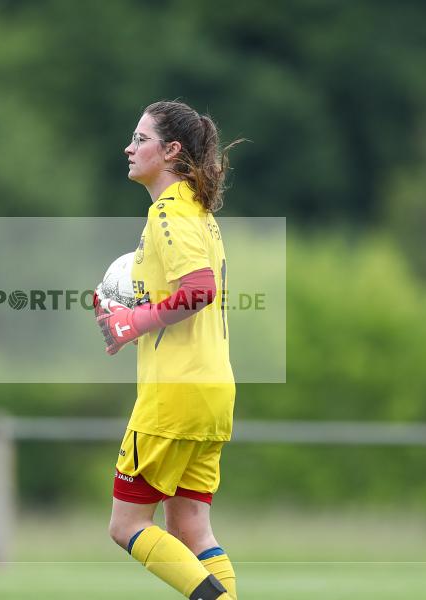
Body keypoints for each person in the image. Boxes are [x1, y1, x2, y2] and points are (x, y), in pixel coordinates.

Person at [95, 101, 241, 600]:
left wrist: (131, 321)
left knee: (126, 524)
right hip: (213, 391)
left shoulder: (169, 211)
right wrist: (124, 313)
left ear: (171, 150)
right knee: (192, 528)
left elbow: (199, 290)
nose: (129, 148)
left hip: (174, 396)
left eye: (140, 139)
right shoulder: (197, 214)